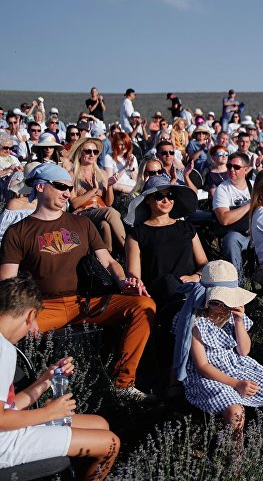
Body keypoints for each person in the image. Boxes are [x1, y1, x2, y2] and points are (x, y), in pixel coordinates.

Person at [0, 163, 156, 399]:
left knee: (143, 306)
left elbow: (109, 261)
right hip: (42, 306)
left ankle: (123, 384)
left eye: (69, 188)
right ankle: (16, 395)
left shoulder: (82, 224)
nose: (67, 193)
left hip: (85, 301)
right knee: (3, 328)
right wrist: (23, 313)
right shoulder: (18, 231)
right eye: (61, 186)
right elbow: (7, 282)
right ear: (40, 187)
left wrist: (124, 282)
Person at [0, 277, 120, 479]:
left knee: (99, 424)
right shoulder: (4, 351)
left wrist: (45, 380)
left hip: (8, 431)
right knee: (111, 444)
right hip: (6, 444)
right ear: (30, 315)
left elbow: (8, 408)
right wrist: (49, 413)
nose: (32, 330)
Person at [172, 261, 263, 432]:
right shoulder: (194, 321)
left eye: (226, 301)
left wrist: (238, 322)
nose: (223, 306)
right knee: (235, 411)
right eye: (216, 302)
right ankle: (235, 455)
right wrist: (236, 384)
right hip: (209, 376)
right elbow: (202, 366)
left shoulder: (233, 315)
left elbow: (244, 351)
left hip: (238, 365)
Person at [125, 175, 206, 311]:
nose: (166, 200)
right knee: (169, 282)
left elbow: (204, 263)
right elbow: (134, 276)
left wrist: (196, 276)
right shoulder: (137, 234)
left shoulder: (187, 228)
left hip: (190, 287)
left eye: (170, 195)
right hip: (158, 293)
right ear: (147, 200)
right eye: (159, 196)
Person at [68, 137, 126, 253]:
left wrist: (109, 186)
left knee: (104, 225)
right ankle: (128, 250)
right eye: (88, 151)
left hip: (101, 210)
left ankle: (107, 259)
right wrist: (94, 189)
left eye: (95, 152)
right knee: (110, 211)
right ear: (80, 153)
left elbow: (109, 202)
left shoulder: (102, 173)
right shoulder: (71, 175)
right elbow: (74, 203)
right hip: (82, 212)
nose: (92, 154)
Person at [213, 153, 253, 283]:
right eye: (229, 166)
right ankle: (238, 283)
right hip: (240, 235)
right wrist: (249, 205)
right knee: (231, 239)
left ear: (246, 169)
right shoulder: (222, 189)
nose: (231, 170)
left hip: (259, 233)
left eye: (236, 167)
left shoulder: (255, 185)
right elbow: (224, 219)